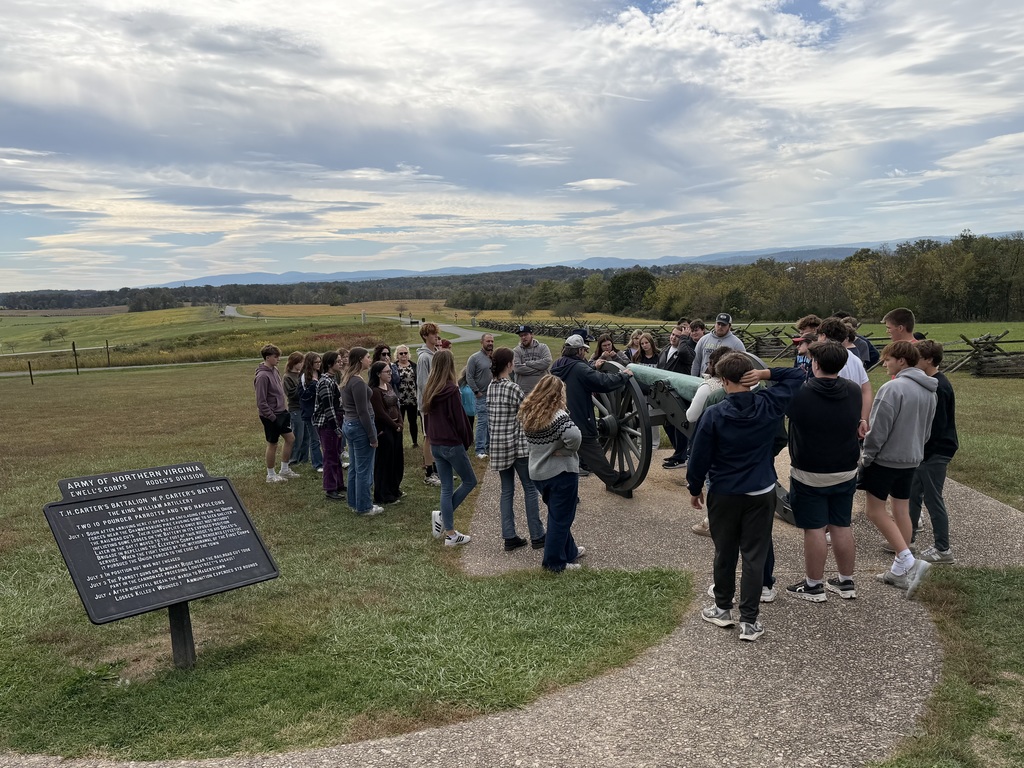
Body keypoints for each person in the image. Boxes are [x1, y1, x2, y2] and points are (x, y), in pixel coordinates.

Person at [687, 353, 805, 642]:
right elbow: (797, 375)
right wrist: (764, 375)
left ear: (724, 380)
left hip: (725, 490)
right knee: (754, 554)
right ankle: (749, 622)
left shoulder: (715, 414)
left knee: (724, 551)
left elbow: (699, 455)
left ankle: (722, 608)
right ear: (748, 377)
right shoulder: (769, 404)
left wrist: (694, 487)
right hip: (761, 489)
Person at [784, 341, 863, 602]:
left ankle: (813, 585)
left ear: (815, 364)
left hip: (810, 470)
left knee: (815, 528)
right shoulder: (853, 391)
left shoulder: (801, 394)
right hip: (845, 468)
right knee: (841, 524)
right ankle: (846, 581)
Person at [861, 341, 937, 597]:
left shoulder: (892, 388)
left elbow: (878, 430)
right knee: (901, 509)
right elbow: (927, 430)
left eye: (887, 360)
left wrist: (866, 457)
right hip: (912, 458)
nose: (884, 364)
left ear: (901, 361)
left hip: (886, 459)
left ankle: (907, 561)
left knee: (874, 510)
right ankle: (898, 570)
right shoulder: (930, 390)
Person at [550, 333, 634, 497]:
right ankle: (613, 479)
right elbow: (602, 382)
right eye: (584, 350)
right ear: (579, 350)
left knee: (564, 457)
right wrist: (623, 376)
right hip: (579, 417)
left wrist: (592, 367)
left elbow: (580, 376)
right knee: (592, 450)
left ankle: (566, 493)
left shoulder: (558, 365)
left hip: (559, 416)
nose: (585, 354)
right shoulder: (579, 368)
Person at [519, 375, 585, 573]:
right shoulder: (558, 416)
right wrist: (565, 451)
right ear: (558, 394)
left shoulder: (530, 413)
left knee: (558, 515)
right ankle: (554, 563)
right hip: (561, 473)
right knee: (560, 518)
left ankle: (570, 551)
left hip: (539, 473)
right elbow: (576, 437)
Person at [488, 347, 545, 551]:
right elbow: (528, 412)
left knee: (507, 491)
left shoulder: (490, 387)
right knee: (530, 489)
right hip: (517, 445)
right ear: (509, 365)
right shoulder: (512, 388)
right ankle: (537, 535)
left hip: (499, 446)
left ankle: (509, 535)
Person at [909, 340, 959, 564]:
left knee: (932, 498)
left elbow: (936, 426)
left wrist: (923, 451)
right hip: (924, 452)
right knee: (912, 494)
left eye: (917, 358)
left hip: (935, 452)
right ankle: (905, 538)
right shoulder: (931, 382)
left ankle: (943, 549)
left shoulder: (938, 386)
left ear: (929, 360)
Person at [422, 349, 476, 546]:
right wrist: (467, 439)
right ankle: (447, 523)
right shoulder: (452, 390)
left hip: (436, 443)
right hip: (451, 443)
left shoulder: (429, 388)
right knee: (470, 481)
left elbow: (426, 416)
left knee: (446, 486)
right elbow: (459, 419)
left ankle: (450, 531)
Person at [341, 347, 382, 516]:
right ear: (359, 360)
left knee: (355, 467)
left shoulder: (348, 378)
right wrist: (372, 436)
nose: (370, 359)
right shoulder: (356, 382)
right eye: (367, 357)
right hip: (359, 426)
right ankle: (364, 506)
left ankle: (354, 501)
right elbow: (362, 411)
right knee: (364, 468)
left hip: (350, 424)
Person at [817, 317, 873, 438]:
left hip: (832, 423)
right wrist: (863, 419)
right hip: (852, 419)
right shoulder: (855, 359)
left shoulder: (826, 360)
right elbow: (866, 390)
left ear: (823, 336)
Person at [254, 344, 298, 483]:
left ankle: (284, 469)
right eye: (275, 356)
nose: (278, 359)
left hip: (282, 412)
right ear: (268, 357)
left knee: (290, 439)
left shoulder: (275, 370)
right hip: (270, 416)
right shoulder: (262, 376)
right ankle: (270, 475)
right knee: (273, 444)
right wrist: (272, 417)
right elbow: (261, 402)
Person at [658, 324, 695, 470]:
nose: (673, 337)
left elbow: (684, 353)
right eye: (672, 334)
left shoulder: (687, 351)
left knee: (680, 425)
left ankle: (680, 457)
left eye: (677, 336)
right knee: (667, 424)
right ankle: (679, 452)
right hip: (666, 393)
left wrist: (684, 339)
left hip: (680, 393)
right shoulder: (665, 350)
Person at [369, 361, 404, 505]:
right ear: (378, 374)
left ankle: (394, 488)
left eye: (390, 371)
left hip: (396, 427)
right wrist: (394, 425)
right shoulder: (375, 391)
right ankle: (383, 493)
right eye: (387, 372)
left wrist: (400, 422)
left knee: (397, 460)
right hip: (385, 429)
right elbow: (380, 413)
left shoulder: (389, 386)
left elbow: (396, 404)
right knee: (385, 461)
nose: (390, 374)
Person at [313, 351, 346, 501]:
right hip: (328, 423)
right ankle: (330, 488)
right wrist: (335, 427)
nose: (341, 363)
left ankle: (339, 483)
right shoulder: (325, 381)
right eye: (337, 361)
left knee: (336, 454)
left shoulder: (333, 379)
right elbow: (328, 408)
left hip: (335, 420)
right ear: (329, 364)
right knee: (330, 456)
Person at [416, 323, 443, 486]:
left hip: (438, 401)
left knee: (437, 436)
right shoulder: (423, 357)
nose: (435, 336)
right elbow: (423, 383)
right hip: (428, 403)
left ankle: (438, 468)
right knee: (429, 436)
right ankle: (429, 472)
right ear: (425, 336)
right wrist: (431, 400)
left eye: (436, 334)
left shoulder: (437, 353)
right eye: (432, 334)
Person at [690, 313, 745, 377]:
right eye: (718, 324)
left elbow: (742, 365)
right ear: (715, 324)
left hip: (725, 381)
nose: (720, 327)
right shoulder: (703, 340)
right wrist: (694, 378)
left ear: (729, 326)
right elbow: (696, 362)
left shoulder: (736, 343)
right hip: (704, 378)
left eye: (723, 325)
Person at [466, 333, 494, 458]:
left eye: (492, 341)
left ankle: (489, 447)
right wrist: (476, 391)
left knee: (491, 422)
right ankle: (480, 450)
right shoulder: (474, 358)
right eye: (488, 341)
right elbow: (469, 376)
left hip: (493, 395)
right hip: (481, 395)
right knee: (483, 422)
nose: (490, 343)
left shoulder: (494, 357)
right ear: (481, 342)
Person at [299, 351, 324, 472]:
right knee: (315, 439)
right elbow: (303, 395)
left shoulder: (320, 374)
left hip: (321, 411)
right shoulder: (304, 376)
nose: (318, 364)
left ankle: (325, 460)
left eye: (320, 362)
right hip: (310, 412)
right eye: (316, 362)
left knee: (323, 437)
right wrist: (314, 385)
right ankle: (317, 464)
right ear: (310, 363)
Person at [282, 352, 308, 465]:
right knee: (298, 434)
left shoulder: (302, 374)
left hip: (305, 408)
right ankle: (293, 458)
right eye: (300, 362)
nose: (302, 364)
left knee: (307, 435)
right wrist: (302, 387)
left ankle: (304, 458)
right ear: (294, 363)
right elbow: (292, 394)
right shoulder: (287, 377)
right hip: (295, 409)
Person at [512, 325, 552, 394]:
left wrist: (528, 364)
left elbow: (547, 362)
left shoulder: (543, 347)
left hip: (542, 390)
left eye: (525, 335)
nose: (523, 337)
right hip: (524, 392)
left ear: (532, 335)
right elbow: (518, 368)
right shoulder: (516, 351)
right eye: (521, 336)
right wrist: (540, 370)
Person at [394, 344, 419, 447]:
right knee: (399, 421)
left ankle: (415, 442)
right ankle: (398, 442)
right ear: (397, 355)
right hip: (399, 399)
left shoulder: (414, 366)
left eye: (405, 353)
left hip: (412, 398)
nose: (403, 355)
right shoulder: (394, 366)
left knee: (413, 421)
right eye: (401, 353)